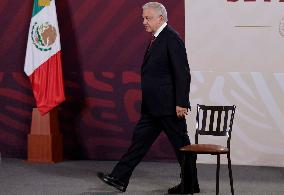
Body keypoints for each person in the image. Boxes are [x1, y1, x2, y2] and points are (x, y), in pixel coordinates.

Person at [97, 2, 200, 194]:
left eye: (148, 18)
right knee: (138, 143)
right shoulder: (157, 38)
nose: (144, 21)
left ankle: (191, 184)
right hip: (153, 107)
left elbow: (182, 73)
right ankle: (119, 178)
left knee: (182, 147)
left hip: (169, 107)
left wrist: (181, 102)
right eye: (143, 18)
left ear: (160, 18)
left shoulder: (171, 38)